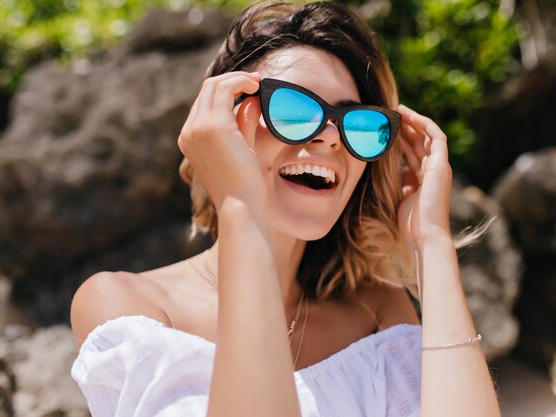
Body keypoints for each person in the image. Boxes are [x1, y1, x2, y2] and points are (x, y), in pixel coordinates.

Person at [70, 2, 501, 416]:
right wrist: (241, 207)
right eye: (293, 109)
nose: (330, 138)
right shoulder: (130, 307)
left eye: (357, 123)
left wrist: (432, 242)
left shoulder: (375, 309)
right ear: (219, 124)